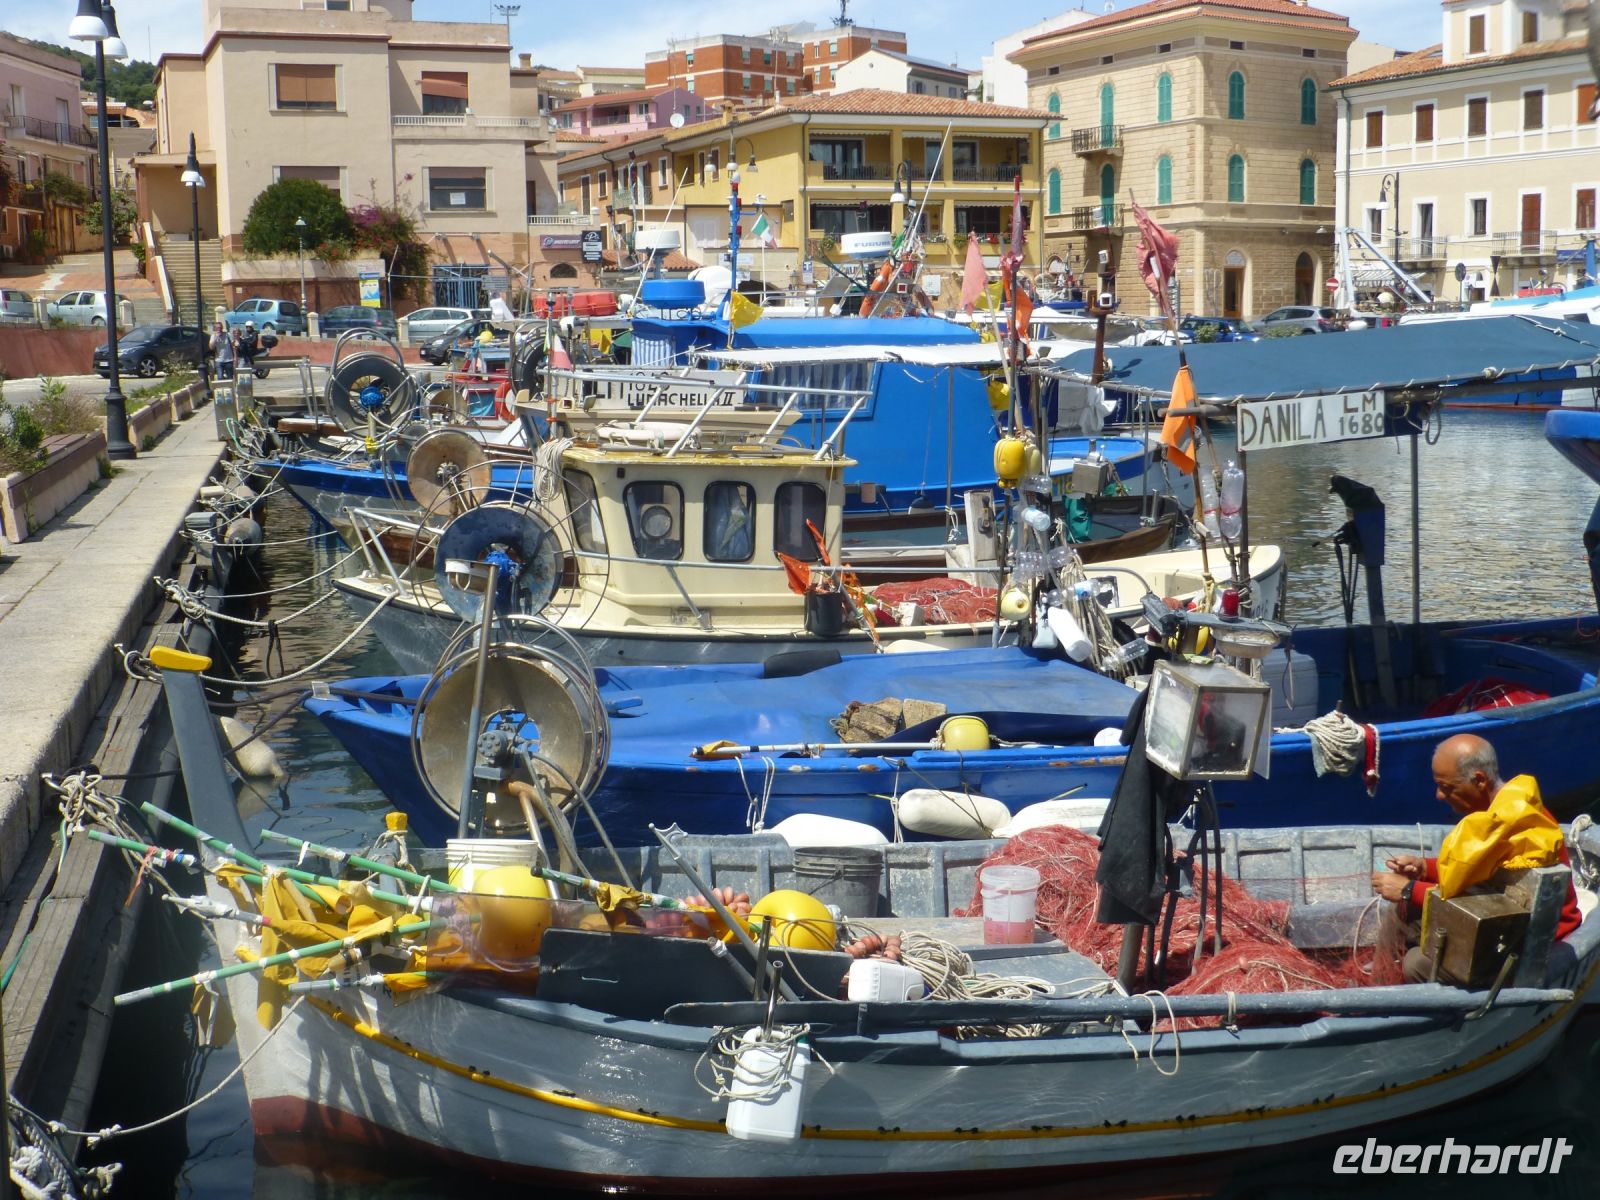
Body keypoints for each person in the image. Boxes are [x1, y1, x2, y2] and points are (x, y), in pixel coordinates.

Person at [1372, 734, 1583, 983]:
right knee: (1407, 912)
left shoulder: (1514, 825)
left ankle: (1419, 1004)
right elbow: (1479, 872)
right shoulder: (1500, 814)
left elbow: (1495, 906)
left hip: (1531, 943)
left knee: (1416, 963)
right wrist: (1424, 869)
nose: (1439, 795)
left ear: (1480, 780)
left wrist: (1409, 890)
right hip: (1503, 921)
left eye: (1447, 787)